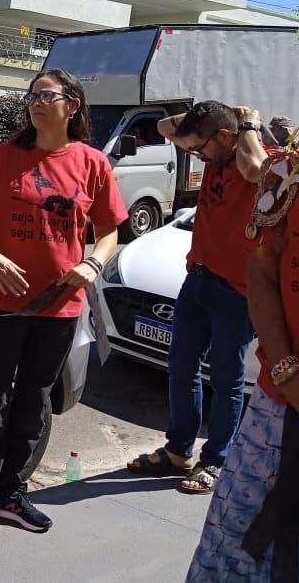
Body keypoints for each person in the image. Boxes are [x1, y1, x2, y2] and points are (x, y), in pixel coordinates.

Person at [0, 69, 126, 547]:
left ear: (72, 105)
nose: (36, 102)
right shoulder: (4, 158)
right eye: (32, 95)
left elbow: (110, 231)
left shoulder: (92, 163)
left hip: (60, 306)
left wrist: (94, 263)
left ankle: (11, 494)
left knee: (35, 401)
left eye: (47, 95)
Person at [127, 101, 267, 495]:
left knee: (227, 379)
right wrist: (206, 117)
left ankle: (216, 459)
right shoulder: (216, 155)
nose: (197, 157)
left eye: (201, 150)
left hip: (237, 292)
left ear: (227, 137)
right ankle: (178, 451)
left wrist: (248, 125)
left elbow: (256, 168)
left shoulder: (258, 160)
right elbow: (167, 128)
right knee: (181, 366)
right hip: (198, 280)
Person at [187, 147, 299, 581]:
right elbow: (263, 271)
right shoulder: (287, 170)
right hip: (277, 409)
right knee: (232, 553)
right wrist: (287, 373)